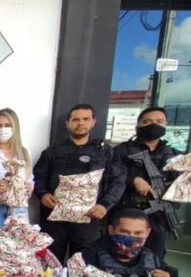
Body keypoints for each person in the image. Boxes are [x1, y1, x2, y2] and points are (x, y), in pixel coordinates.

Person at [33, 103, 126, 264]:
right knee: (49, 263)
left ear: (93, 122)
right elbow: (38, 176)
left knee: (84, 264)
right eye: (75, 119)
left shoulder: (106, 152)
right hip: (55, 219)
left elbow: (118, 182)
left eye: (85, 119)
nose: (80, 123)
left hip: (89, 220)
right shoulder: (53, 151)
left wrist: (105, 205)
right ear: (67, 123)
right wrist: (43, 194)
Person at [113, 106, 191, 259]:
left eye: (159, 121)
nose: (153, 125)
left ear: (165, 125)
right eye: (147, 121)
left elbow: (183, 183)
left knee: (155, 258)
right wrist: (133, 179)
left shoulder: (174, 155)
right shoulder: (122, 151)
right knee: (124, 256)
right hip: (128, 213)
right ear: (138, 126)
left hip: (160, 217)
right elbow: (109, 174)